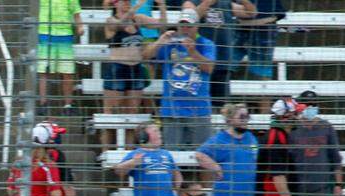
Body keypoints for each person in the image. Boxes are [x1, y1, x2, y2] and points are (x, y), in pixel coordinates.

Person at [142, 11, 216, 150]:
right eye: (182, 26)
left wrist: (193, 51)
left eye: (189, 26)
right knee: (172, 155)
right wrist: (160, 41)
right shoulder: (170, 44)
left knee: (204, 155)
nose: (185, 29)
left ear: (197, 27)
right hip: (172, 110)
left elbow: (209, 68)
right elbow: (145, 56)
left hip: (199, 110)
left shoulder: (206, 44)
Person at [101, 0, 150, 150]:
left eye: (129, 1)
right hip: (116, 68)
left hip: (135, 69)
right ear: (115, 4)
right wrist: (135, 7)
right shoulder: (110, 20)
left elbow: (160, 25)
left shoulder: (137, 19)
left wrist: (161, 6)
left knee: (131, 114)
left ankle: (128, 151)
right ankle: (105, 152)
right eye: (123, 1)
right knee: (111, 114)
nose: (127, 3)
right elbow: (118, 25)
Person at [232, 0, 286, 113]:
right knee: (223, 67)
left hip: (265, 23)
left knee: (263, 74)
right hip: (238, 24)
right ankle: (223, 112)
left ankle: (264, 119)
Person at [37, 0, 84, 117]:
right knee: (44, 70)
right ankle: (43, 104)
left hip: (65, 34)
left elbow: (76, 13)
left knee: (67, 71)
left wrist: (80, 27)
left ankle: (68, 106)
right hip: (45, 32)